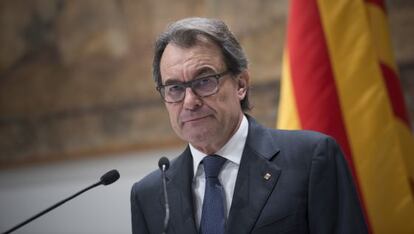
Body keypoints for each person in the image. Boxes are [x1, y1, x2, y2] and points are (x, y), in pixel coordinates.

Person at [130, 17, 368, 234]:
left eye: (204, 81)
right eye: (175, 88)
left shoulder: (312, 158)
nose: (190, 101)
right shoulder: (149, 194)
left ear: (241, 84)